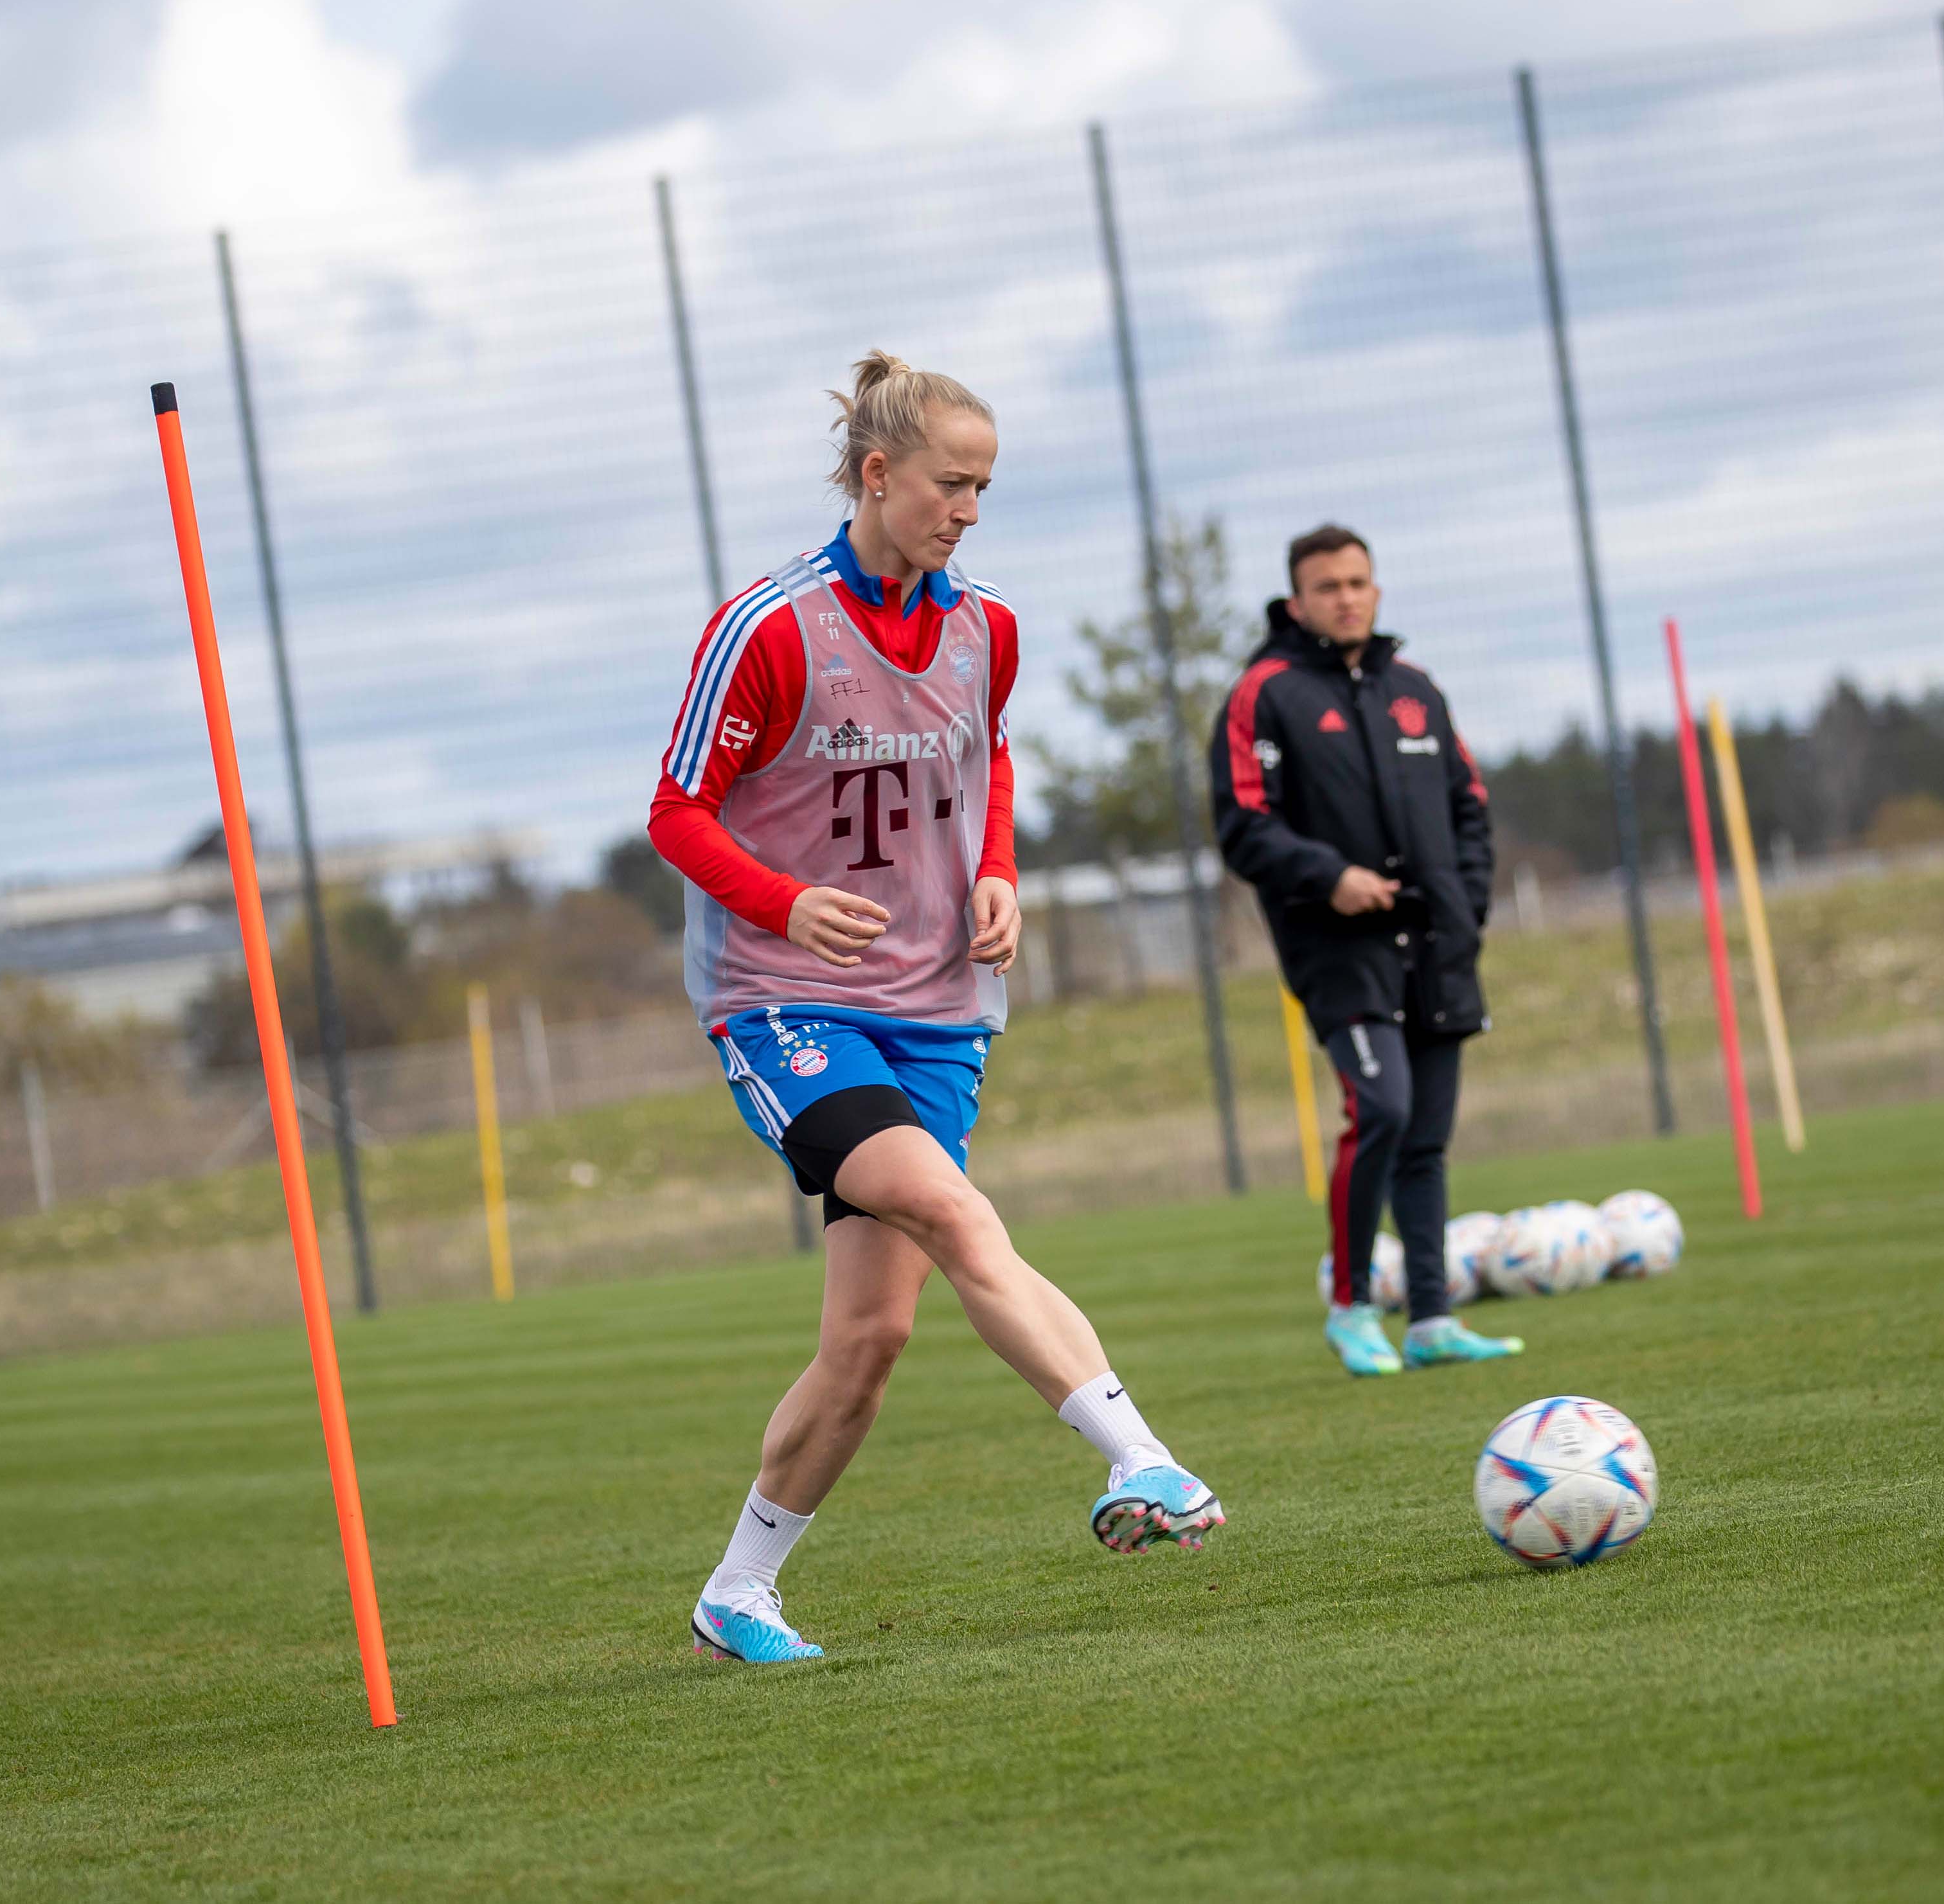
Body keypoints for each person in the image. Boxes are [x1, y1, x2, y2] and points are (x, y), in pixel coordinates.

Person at [647, 351, 1225, 1666]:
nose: (968, 510)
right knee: (959, 1214)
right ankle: (1143, 1460)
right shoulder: (772, 629)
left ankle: (737, 1594)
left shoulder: (990, 628)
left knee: (871, 1336)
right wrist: (783, 903)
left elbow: (990, 756)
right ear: (876, 474)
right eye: (951, 485)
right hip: (786, 1003)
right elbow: (676, 812)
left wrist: (1002, 870)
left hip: (941, 1008)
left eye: (985, 489)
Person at [1209, 524, 1520, 1378]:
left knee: (1424, 1138)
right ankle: (1351, 1309)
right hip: (1339, 952)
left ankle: (1431, 1318)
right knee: (1379, 1110)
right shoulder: (1264, 693)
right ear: (1297, 598)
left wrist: (1467, 909)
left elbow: (1470, 808)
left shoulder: (1416, 689)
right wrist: (1330, 876)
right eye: (1327, 585)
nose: (1346, 596)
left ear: (1376, 589)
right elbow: (1243, 827)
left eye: (1358, 581)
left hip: (1438, 946)